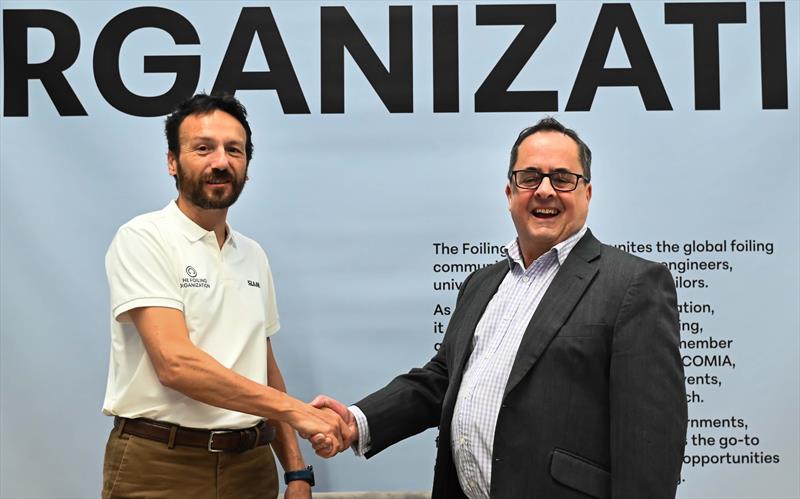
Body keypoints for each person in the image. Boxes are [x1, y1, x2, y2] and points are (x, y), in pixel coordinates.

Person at [311, 117, 688, 499]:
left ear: (587, 193)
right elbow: (441, 380)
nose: (545, 190)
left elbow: (650, 444)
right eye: (530, 177)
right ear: (510, 193)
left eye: (562, 178)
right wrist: (357, 422)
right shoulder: (481, 284)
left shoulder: (633, 284)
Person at [101, 93, 343, 499]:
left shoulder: (252, 254)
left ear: (247, 165)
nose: (220, 162)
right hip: (162, 465)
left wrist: (296, 471)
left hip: (252, 465)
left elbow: (264, 367)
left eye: (234, 150)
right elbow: (176, 365)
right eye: (203, 148)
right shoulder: (144, 238)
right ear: (172, 162)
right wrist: (297, 411)